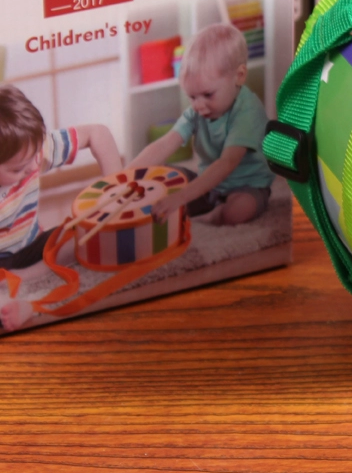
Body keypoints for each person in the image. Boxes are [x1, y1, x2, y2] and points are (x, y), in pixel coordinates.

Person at [0, 83, 123, 331]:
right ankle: (21, 303)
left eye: (36, 155)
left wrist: (116, 189)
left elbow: (97, 133)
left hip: (33, 245)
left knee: (88, 233)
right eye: (18, 169)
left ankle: (25, 280)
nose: (34, 167)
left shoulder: (30, 151)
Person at [130, 23, 274, 226]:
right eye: (192, 97)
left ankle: (214, 216)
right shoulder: (196, 112)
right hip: (207, 186)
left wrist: (181, 197)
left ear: (239, 76)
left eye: (208, 94)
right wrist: (127, 176)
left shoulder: (247, 111)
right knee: (158, 177)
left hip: (246, 187)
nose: (198, 105)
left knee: (240, 210)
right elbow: (165, 144)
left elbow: (227, 163)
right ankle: (198, 206)